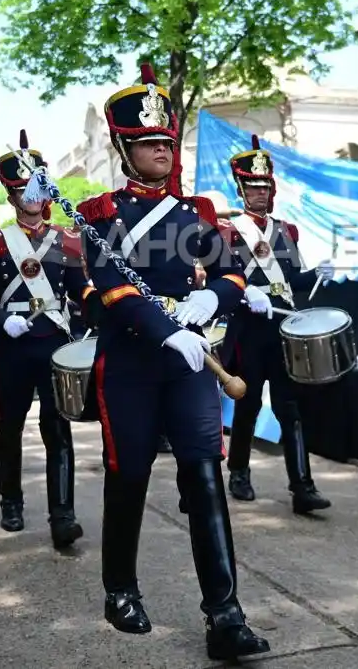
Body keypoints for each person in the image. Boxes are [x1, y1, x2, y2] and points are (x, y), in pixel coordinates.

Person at [76, 62, 272, 661]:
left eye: (165, 141)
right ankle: (120, 588)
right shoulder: (99, 215)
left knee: (205, 476)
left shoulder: (197, 214)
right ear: (124, 148)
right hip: (132, 365)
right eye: (146, 144)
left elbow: (233, 269)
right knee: (129, 476)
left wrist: (217, 294)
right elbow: (111, 286)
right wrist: (166, 328)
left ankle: (225, 615)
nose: (160, 151)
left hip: (190, 366)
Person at [0, 131, 87, 545]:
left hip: (55, 343)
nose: (29, 198)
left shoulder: (66, 239)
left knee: (57, 426)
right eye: (20, 191)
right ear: (12, 197)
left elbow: (80, 288)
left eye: (34, 189)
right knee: (10, 425)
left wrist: (99, 302)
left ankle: (62, 514)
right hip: (12, 344)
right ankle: (11, 502)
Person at [217, 135, 334, 512]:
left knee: (289, 408)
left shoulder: (287, 231)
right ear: (240, 189)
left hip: (283, 331)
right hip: (249, 332)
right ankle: (238, 473)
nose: (260, 194)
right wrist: (246, 291)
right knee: (248, 405)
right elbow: (222, 281)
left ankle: (303, 487)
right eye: (253, 187)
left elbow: (293, 280)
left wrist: (318, 273)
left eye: (265, 186)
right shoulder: (229, 232)